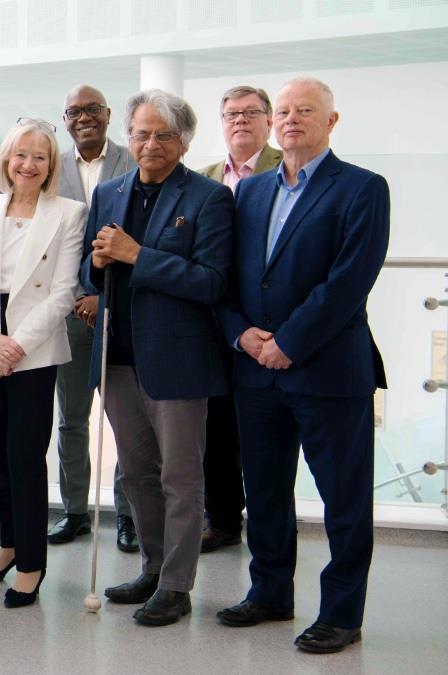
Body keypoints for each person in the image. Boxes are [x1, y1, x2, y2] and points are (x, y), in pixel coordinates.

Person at [215, 78, 389, 655]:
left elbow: (348, 282)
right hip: (256, 371)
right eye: (283, 110)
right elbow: (230, 278)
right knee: (263, 492)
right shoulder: (250, 192)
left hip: (328, 371)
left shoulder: (363, 189)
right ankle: (269, 593)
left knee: (343, 498)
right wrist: (241, 333)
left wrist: (288, 342)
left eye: (304, 110)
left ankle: (342, 613)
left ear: (331, 121)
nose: (291, 119)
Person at [80, 89, 233, 626]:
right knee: (136, 475)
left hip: (178, 361)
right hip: (116, 357)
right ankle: (150, 567)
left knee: (180, 478)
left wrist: (137, 256)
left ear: (184, 141)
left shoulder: (209, 198)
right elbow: (87, 274)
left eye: (164, 135)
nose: (151, 144)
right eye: (141, 133)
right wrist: (99, 266)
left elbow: (211, 282)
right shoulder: (110, 192)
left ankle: (176, 585)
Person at [0, 118, 86, 608]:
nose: (28, 165)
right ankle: (8, 546)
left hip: (33, 350)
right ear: (5, 159)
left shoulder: (68, 213)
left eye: (39, 157)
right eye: (20, 155)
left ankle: (31, 564)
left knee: (25, 456)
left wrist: (15, 346)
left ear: (50, 165)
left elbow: (63, 292)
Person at [196, 85, 283, 553]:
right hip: (214, 321)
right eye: (231, 114)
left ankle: (270, 527)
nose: (241, 121)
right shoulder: (204, 176)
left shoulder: (286, 171)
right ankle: (224, 519)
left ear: (269, 121)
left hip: (266, 320)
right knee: (217, 428)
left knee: (263, 433)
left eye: (252, 113)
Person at [53, 84, 138, 553]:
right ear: (65, 120)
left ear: (108, 115)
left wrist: (100, 297)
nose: (83, 118)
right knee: (71, 419)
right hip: (68, 311)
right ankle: (74, 512)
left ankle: (127, 514)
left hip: (121, 311)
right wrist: (77, 295)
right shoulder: (54, 167)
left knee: (124, 419)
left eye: (92, 110)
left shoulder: (133, 161)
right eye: (74, 112)